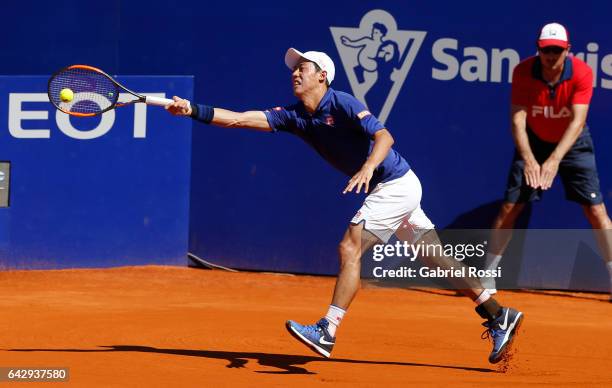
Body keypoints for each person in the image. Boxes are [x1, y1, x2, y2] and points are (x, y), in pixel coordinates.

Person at [165, 48, 523, 363]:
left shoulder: (342, 102)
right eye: (294, 68)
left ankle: (327, 329)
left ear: (322, 76)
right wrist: (192, 109)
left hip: (394, 183)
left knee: (350, 245)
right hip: (396, 188)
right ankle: (497, 313)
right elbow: (240, 118)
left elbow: (385, 136)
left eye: (303, 67)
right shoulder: (294, 116)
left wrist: (368, 167)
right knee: (438, 260)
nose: (295, 72)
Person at [482, 23, 612, 299]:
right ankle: (487, 276)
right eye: (546, 49)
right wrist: (530, 159)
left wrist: (553, 161)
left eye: (557, 50)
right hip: (534, 141)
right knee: (510, 207)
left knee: (596, 210)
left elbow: (577, 122)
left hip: (573, 143)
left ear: (567, 50)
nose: (551, 55)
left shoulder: (581, 72)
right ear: (538, 49)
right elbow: (518, 119)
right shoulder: (523, 71)